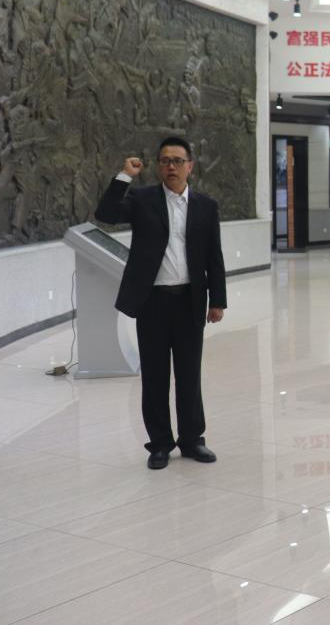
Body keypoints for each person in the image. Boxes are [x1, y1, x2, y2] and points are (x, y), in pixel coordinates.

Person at [94, 137, 227, 470]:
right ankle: (160, 444)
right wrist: (125, 176)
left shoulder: (206, 206)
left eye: (178, 161)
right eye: (165, 161)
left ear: (190, 166)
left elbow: (214, 255)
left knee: (189, 375)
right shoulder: (142, 200)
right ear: (157, 166)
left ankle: (193, 440)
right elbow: (105, 213)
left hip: (189, 301)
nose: (171, 166)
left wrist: (217, 300)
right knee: (154, 376)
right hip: (152, 302)